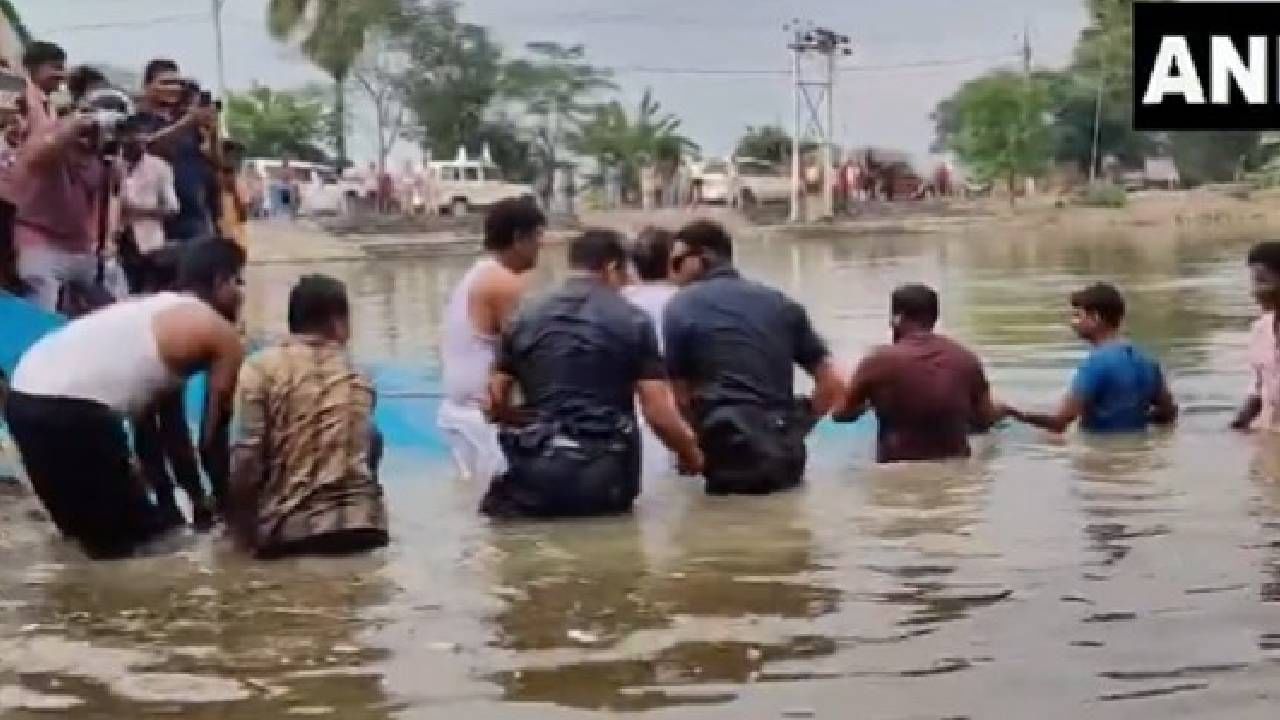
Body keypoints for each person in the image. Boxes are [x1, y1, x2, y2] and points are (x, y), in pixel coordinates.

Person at [4, 238, 244, 559]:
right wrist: (228, 515)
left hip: (22, 400)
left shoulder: (152, 311)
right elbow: (212, 439)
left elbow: (160, 433)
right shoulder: (220, 334)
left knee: (83, 539)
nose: (243, 294)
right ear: (220, 281)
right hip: (78, 412)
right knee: (141, 547)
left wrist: (185, 501)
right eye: (239, 281)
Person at [481, 229, 703, 518]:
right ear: (611, 268)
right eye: (624, 275)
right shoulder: (632, 320)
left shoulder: (525, 315)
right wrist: (692, 457)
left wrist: (515, 416)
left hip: (535, 471)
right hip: (605, 474)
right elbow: (657, 411)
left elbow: (494, 399)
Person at [663, 220, 844, 494]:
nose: (671, 275)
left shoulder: (681, 307)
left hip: (726, 452)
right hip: (784, 453)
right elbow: (832, 385)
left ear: (704, 258)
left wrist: (692, 447)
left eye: (677, 263)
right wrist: (797, 428)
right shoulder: (781, 303)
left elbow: (680, 397)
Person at [229, 275, 388, 559]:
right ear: (338, 323)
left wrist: (242, 538)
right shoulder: (358, 375)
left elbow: (246, 460)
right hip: (364, 529)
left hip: (290, 533)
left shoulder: (260, 369)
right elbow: (370, 447)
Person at [832, 284, 1006, 463]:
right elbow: (985, 419)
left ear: (896, 319)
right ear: (935, 318)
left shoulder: (878, 361)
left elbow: (841, 415)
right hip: (956, 473)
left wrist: (867, 403)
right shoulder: (966, 359)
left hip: (896, 474)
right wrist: (1004, 410)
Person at [438, 198, 546, 483]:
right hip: (484, 416)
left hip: (458, 410)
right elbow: (526, 353)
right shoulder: (503, 282)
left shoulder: (476, 274)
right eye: (537, 237)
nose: (541, 246)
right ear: (518, 239)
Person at [10, 86, 129, 311]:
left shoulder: (106, 155)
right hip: (39, 239)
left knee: (115, 290)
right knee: (42, 292)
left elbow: (110, 196)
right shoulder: (53, 137)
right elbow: (38, 158)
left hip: (81, 245)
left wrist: (106, 239)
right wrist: (76, 127)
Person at [1007, 282, 1177, 434]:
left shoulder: (1095, 365)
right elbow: (1169, 413)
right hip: (1138, 457)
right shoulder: (1146, 361)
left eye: (1077, 315)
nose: (1072, 322)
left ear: (1095, 318)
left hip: (1100, 462)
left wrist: (1014, 412)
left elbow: (1059, 423)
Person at [135, 59, 218, 243]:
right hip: (155, 218)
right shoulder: (138, 120)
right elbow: (147, 147)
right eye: (165, 83)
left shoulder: (186, 121)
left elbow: (215, 160)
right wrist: (188, 122)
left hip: (194, 215)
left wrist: (212, 131)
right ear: (147, 86)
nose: (174, 88)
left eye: (178, 83)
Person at [119, 114, 179, 289]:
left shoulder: (160, 167)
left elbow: (172, 209)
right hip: (115, 247)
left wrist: (135, 211)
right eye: (132, 135)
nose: (138, 140)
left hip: (149, 246)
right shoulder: (110, 164)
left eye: (142, 135)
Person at [1234, 241, 1280, 431]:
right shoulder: (1260, 330)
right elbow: (1258, 389)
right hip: (1267, 435)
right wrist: (1239, 423)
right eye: (1253, 281)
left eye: (1262, 281)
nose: (1254, 291)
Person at [21, 41, 66, 132]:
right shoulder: (23, 100)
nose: (62, 75)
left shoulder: (47, 102)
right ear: (33, 67)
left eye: (62, 69)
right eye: (57, 68)